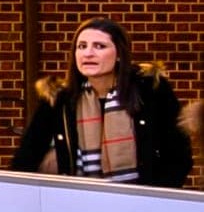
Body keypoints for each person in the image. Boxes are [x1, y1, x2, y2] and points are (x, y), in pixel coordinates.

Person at [16, 19, 193, 188]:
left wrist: (154, 200)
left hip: (142, 206)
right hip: (79, 205)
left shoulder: (151, 90)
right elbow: (25, 160)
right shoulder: (58, 100)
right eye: (81, 46)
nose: (88, 53)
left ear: (119, 54)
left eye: (99, 46)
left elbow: (178, 155)